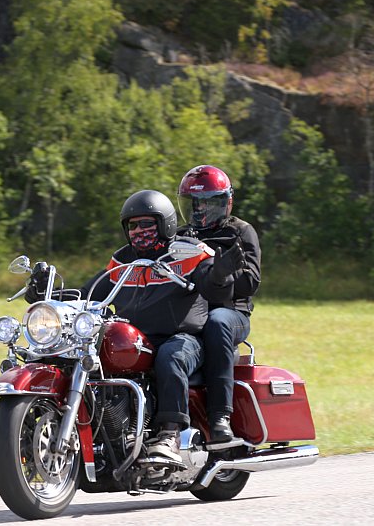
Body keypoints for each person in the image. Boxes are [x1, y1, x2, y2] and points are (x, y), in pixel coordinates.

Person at [25, 190, 239, 461]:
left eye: (147, 224)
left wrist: (220, 275)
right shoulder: (123, 260)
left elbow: (215, 289)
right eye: (133, 225)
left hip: (184, 337)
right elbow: (87, 294)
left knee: (171, 355)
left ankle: (170, 435)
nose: (139, 230)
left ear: (166, 224)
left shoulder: (189, 252)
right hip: (138, 339)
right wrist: (48, 293)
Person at [176, 165, 262, 443]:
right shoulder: (179, 236)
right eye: (194, 203)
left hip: (231, 313)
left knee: (217, 323)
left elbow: (251, 282)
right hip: (188, 313)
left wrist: (222, 274)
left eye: (209, 203)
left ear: (226, 202)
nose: (200, 210)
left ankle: (220, 416)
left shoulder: (240, 232)